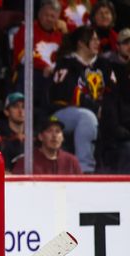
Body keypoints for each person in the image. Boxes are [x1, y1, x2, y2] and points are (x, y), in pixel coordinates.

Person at [49, 25, 115, 172]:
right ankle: (85, 170)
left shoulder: (104, 64)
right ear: (80, 42)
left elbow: (113, 93)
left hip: (99, 112)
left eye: (98, 39)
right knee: (87, 117)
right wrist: (96, 108)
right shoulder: (67, 63)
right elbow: (68, 94)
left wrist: (106, 111)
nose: (97, 43)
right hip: (63, 113)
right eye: (93, 39)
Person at [101, 27, 130, 171]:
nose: (129, 47)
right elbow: (110, 104)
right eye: (126, 43)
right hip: (118, 129)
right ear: (117, 46)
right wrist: (118, 129)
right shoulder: (108, 67)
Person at [12, 116, 83, 174]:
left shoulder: (71, 161)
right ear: (40, 136)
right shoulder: (27, 161)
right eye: (49, 131)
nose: (54, 135)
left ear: (62, 137)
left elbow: (81, 188)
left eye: (58, 131)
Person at [0, 92, 26, 169]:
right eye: (16, 107)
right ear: (6, 112)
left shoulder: (34, 137)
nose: (21, 111)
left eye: (24, 107)